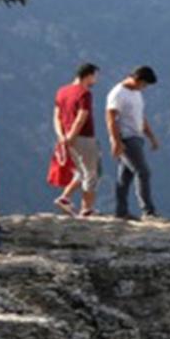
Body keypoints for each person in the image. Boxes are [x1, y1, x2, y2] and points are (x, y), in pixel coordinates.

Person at [105, 65, 160, 221]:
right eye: (144, 84)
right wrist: (116, 141)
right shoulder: (118, 93)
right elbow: (111, 119)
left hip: (137, 137)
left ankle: (121, 211)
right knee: (143, 172)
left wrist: (151, 136)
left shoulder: (136, 93)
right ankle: (148, 211)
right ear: (138, 79)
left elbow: (140, 117)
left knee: (125, 176)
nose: (144, 88)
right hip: (126, 138)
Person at [53, 63, 101, 217]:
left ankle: (65, 198)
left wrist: (62, 136)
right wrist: (72, 136)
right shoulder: (84, 93)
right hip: (84, 137)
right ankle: (87, 208)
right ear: (88, 75)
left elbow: (56, 116)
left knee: (81, 171)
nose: (96, 80)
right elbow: (81, 117)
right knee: (91, 173)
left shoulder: (62, 91)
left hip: (67, 136)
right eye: (95, 76)